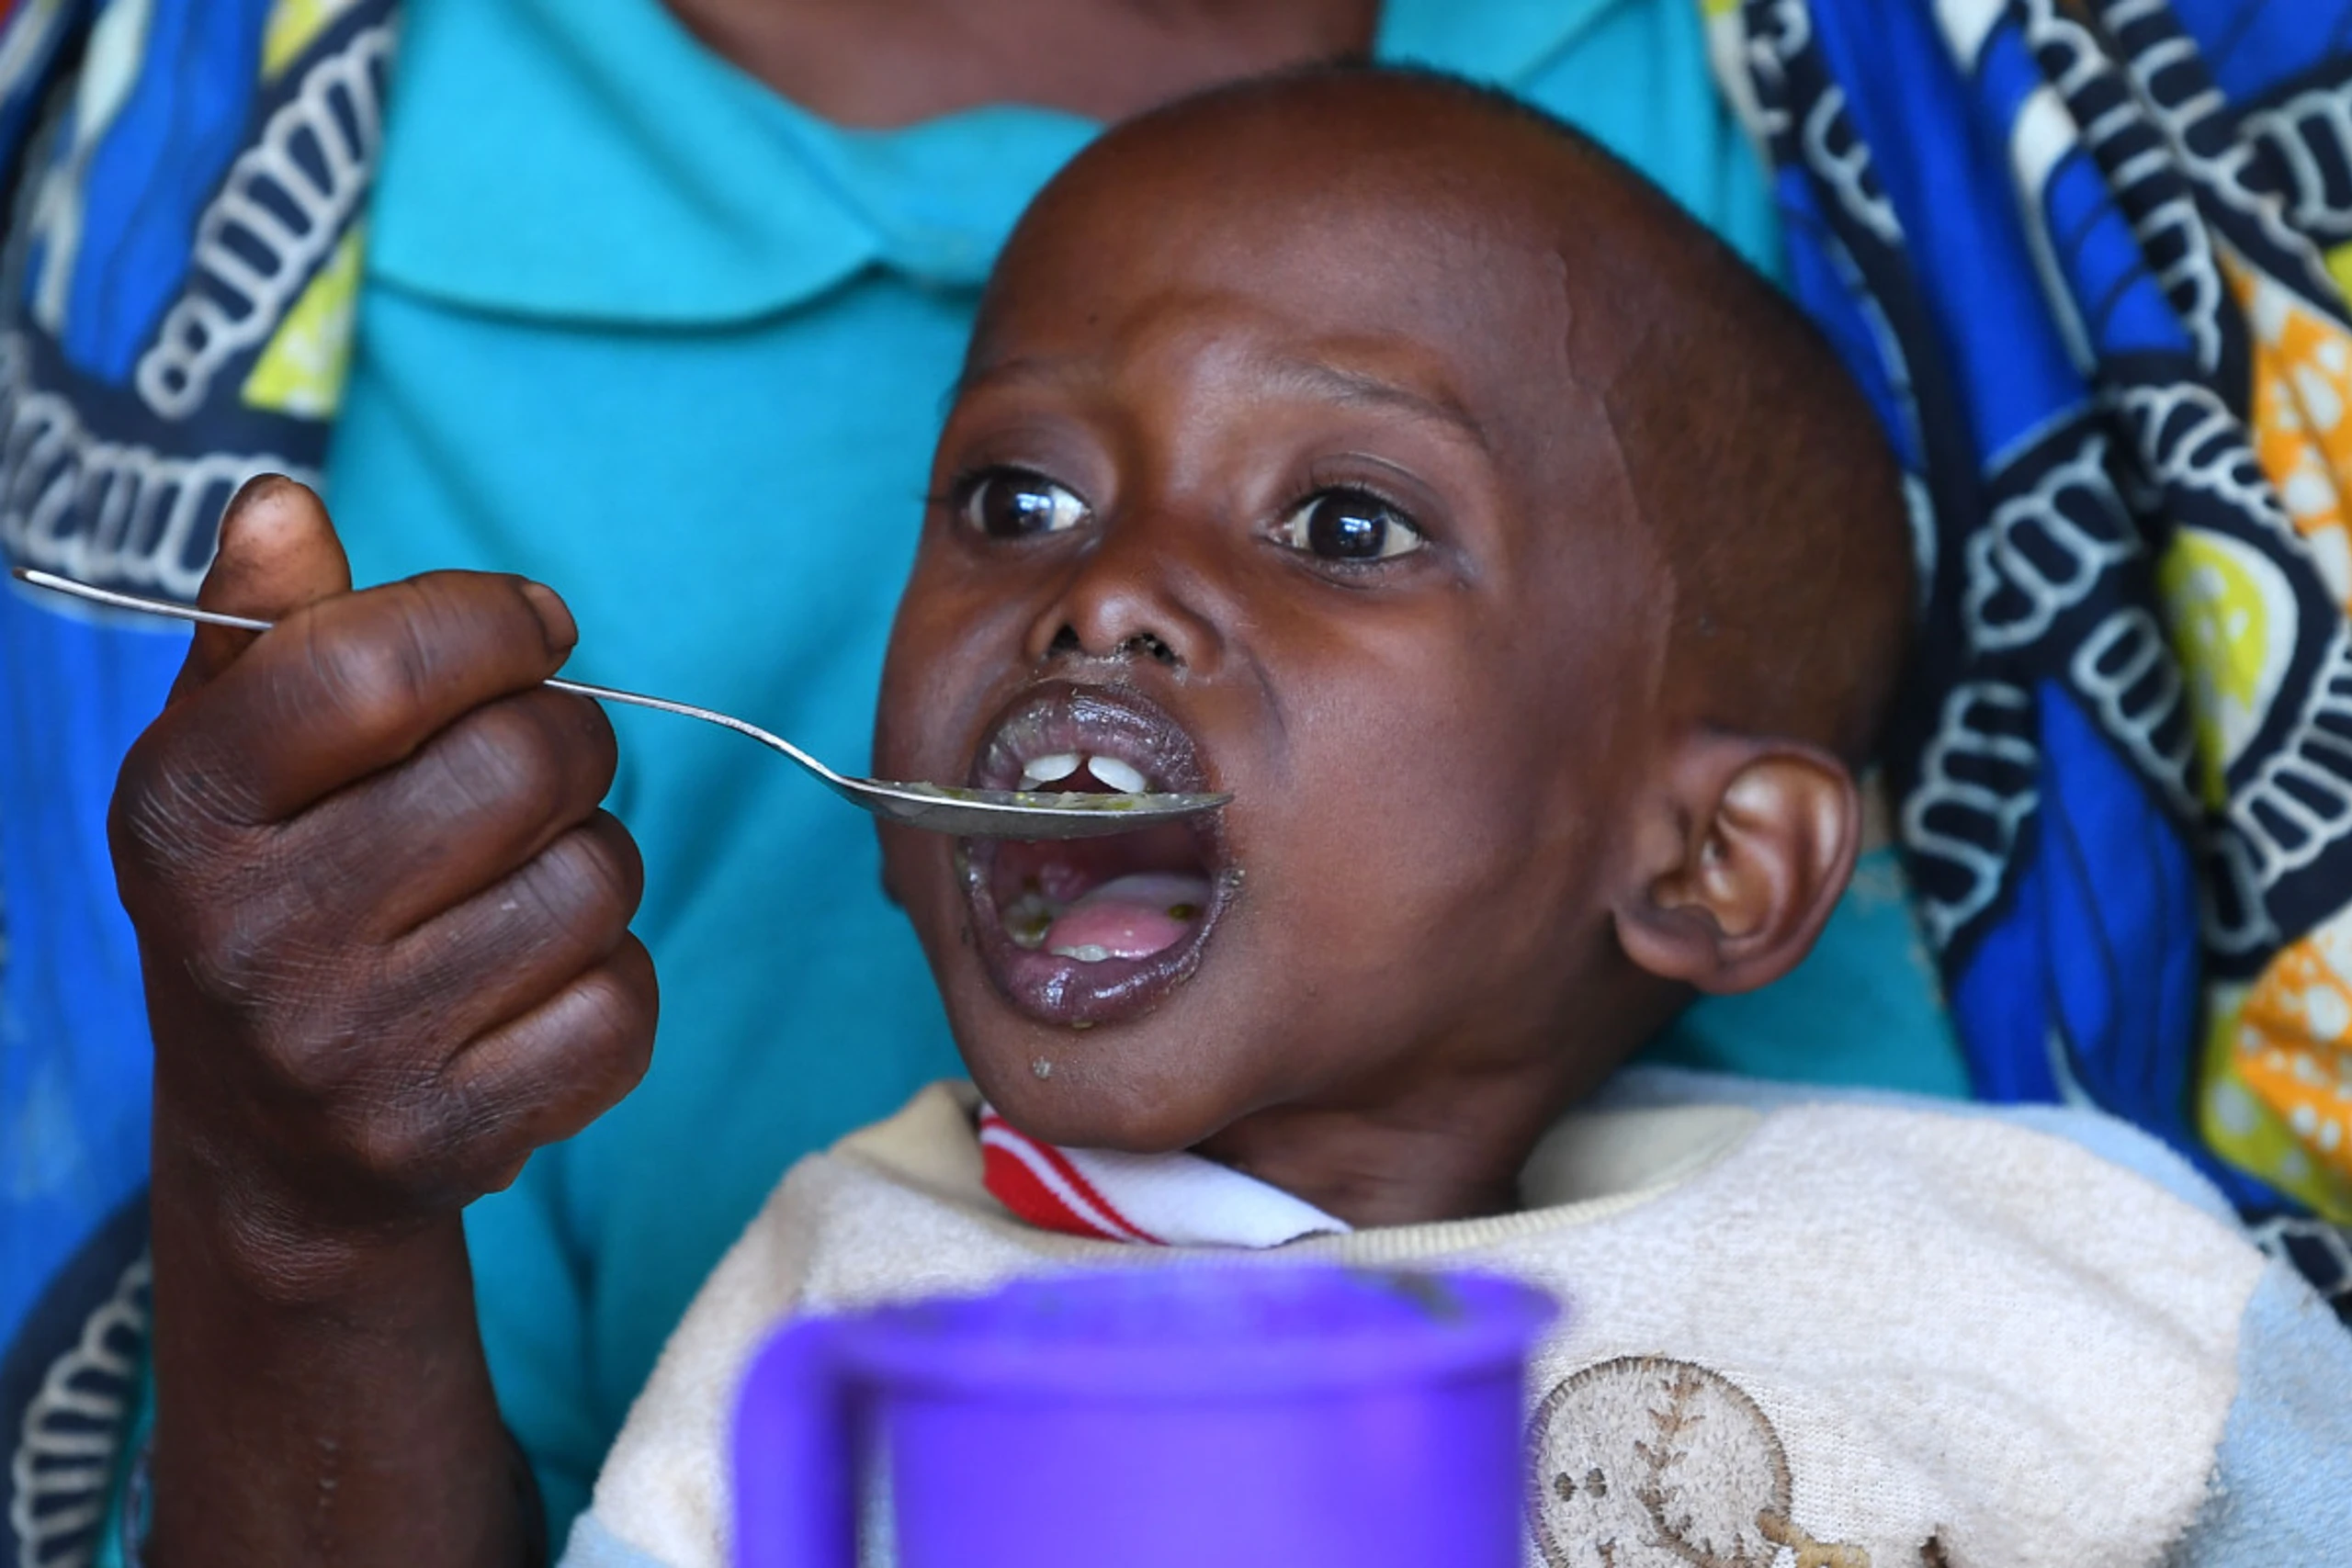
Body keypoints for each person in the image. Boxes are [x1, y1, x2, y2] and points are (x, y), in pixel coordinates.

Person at [111, 67, 2351, 1568]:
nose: (1104, 587)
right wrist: (291, 1206)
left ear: (1710, 863)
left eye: (1349, 522)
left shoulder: (1999, 1270)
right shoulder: (824, 1338)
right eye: (1013, 495)